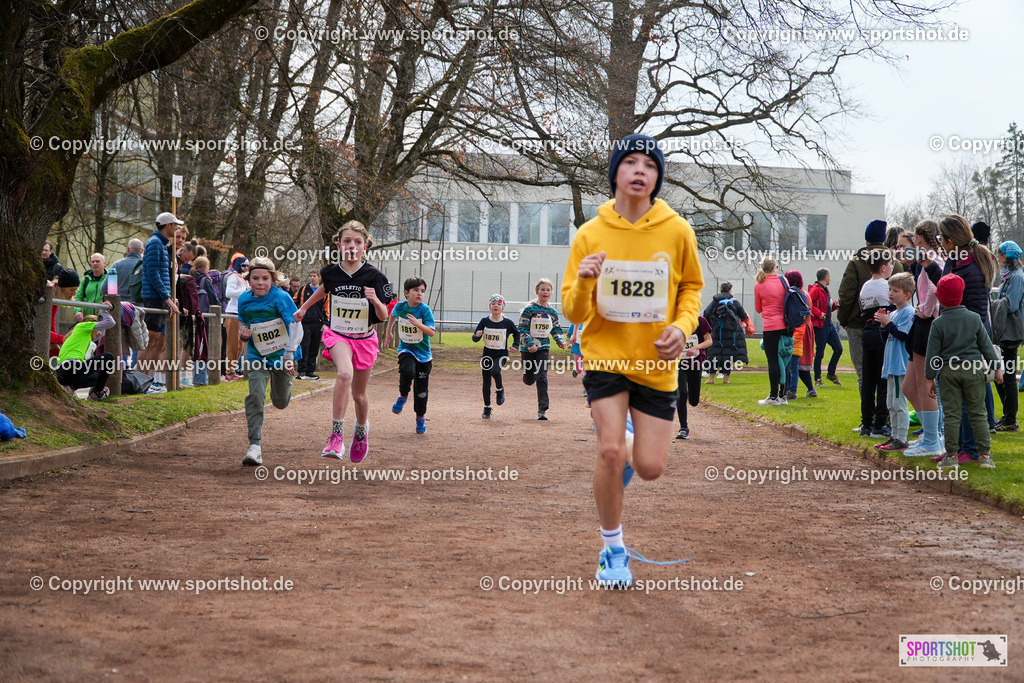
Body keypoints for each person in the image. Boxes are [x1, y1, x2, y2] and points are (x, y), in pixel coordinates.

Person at [562, 133, 703, 588]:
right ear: (616, 173)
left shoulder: (678, 230)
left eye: (650, 165)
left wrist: (681, 329)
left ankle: (626, 434)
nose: (641, 170)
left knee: (649, 467)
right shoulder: (590, 234)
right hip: (605, 358)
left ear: (657, 178)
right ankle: (613, 550)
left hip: (656, 365)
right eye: (631, 162)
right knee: (607, 450)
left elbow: (691, 290)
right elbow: (573, 311)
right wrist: (584, 282)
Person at [294, 221, 393, 462]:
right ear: (339, 245)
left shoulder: (375, 276)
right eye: (347, 241)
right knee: (344, 375)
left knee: (359, 395)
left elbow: (383, 316)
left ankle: (360, 431)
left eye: (357, 242)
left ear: (365, 247)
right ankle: (336, 436)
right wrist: (304, 307)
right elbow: (325, 289)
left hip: (365, 338)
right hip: (338, 334)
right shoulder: (330, 271)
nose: (352, 246)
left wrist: (376, 301)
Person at [939, 214, 996, 463]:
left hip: (966, 344)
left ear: (951, 240)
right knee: (957, 403)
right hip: (955, 342)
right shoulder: (956, 262)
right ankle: (958, 448)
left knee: (968, 404)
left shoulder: (970, 270)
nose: (940, 243)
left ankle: (971, 450)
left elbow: (975, 313)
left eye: (942, 238)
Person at [235, 257, 302, 467]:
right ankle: (254, 446)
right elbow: (243, 324)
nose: (260, 282)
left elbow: (295, 327)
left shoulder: (281, 297)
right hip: (257, 355)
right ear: (249, 279)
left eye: (265, 278)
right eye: (255, 278)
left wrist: (289, 357)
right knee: (255, 394)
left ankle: (285, 385)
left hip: (282, 356)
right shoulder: (244, 299)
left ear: (273, 279)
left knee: (280, 402)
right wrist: (244, 336)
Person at [928, 274, 1000, 470]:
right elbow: (986, 347)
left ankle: (951, 457)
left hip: (949, 372)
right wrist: (997, 369)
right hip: (974, 370)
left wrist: (929, 379)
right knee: (978, 414)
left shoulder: (938, 323)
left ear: (940, 297)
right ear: (961, 295)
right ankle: (984, 455)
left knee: (951, 416)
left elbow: (932, 355)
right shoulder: (975, 318)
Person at [837, 219, 904, 391]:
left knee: (863, 374)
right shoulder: (895, 262)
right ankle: (885, 415)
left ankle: (868, 415)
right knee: (886, 373)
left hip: (858, 323)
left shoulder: (856, 261)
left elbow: (846, 294)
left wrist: (843, 319)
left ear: (867, 239)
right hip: (888, 323)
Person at [902, 221, 945, 457]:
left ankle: (932, 439)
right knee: (909, 387)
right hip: (921, 322)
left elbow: (933, 289)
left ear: (919, 237)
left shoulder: (932, 258)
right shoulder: (924, 258)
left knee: (924, 384)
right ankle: (932, 434)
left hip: (927, 323)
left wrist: (925, 310)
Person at [384, 277, 436, 434]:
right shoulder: (400, 307)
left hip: (424, 355)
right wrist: (388, 334)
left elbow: (432, 332)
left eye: (422, 291)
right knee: (407, 371)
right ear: (406, 293)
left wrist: (418, 324)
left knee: (421, 391)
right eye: (415, 290)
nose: (419, 294)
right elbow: (392, 316)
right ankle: (403, 395)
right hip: (406, 349)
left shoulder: (424, 310)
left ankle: (420, 418)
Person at [138, 212, 183, 393]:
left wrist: (170, 298)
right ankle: (141, 381)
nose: (177, 228)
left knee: (158, 341)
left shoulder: (162, 244)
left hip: (161, 297)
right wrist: (166, 297)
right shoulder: (155, 243)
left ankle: (150, 381)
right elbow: (152, 272)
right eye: (175, 225)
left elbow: (163, 274)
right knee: (150, 341)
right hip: (154, 297)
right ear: (167, 226)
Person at [873, 273, 916, 451]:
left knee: (899, 403)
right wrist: (884, 326)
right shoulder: (896, 312)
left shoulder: (908, 312)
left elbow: (904, 335)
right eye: (890, 289)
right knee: (890, 403)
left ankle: (902, 438)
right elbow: (889, 337)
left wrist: (888, 323)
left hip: (900, 365)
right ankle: (894, 436)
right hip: (890, 364)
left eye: (895, 290)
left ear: (907, 294)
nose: (891, 293)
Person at [518, 278, 567, 420]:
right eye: (543, 289)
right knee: (530, 379)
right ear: (537, 291)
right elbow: (521, 329)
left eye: (548, 290)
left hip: (543, 347)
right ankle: (527, 378)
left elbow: (556, 328)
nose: (545, 292)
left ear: (551, 293)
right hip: (528, 349)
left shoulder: (552, 312)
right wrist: (529, 343)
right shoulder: (529, 309)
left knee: (542, 375)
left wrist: (560, 340)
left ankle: (542, 409)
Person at [858, 250, 893, 438]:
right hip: (881, 332)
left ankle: (866, 424)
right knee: (883, 379)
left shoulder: (865, 287)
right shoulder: (886, 286)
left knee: (868, 380)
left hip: (867, 330)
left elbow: (863, 309)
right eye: (890, 265)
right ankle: (880, 423)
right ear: (883, 267)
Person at [993, 241, 1024, 431]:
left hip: (1011, 331)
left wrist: (992, 305)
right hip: (1006, 330)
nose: (998, 260)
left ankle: (1010, 419)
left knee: (1009, 376)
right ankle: (1007, 416)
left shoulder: (1016, 278)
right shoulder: (1010, 276)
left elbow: (1011, 304)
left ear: (1006, 257)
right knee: (1002, 373)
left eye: (999, 256)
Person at [472, 294, 519, 418]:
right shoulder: (484, 321)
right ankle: (487, 407)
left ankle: (499, 389)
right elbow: (475, 338)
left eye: (498, 304)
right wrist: (477, 335)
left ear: (502, 307)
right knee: (486, 382)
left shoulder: (507, 322)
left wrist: (515, 345)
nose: (496, 306)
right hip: (487, 355)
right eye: (493, 304)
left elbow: (516, 333)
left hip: (501, 354)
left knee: (495, 371)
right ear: (490, 306)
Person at [55, 310, 116, 401]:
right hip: (70, 368)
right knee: (108, 357)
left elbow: (102, 333)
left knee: (97, 379)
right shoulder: (82, 326)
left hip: (63, 373)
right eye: (98, 329)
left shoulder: (82, 335)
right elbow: (111, 323)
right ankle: (97, 393)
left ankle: (70, 387)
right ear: (90, 325)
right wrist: (102, 311)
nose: (99, 333)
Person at [754, 257, 787, 405]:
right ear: (775, 268)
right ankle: (783, 395)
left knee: (773, 360)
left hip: (770, 326)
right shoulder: (783, 281)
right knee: (785, 359)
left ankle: (773, 396)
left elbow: (758, 308)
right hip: (785, 325)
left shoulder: (759, 285)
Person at [703, 282, 750, 385]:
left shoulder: (715, 301)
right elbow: (743, 315)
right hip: (731, 332)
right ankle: (726, 378)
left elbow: (706, 313)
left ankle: (711, 378)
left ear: (721, 290)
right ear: (730, 290)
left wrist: (712, 322)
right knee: (728, 354)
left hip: (717, 331)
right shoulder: (734, 302)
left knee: (714, 353)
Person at [676, 314, 712, 439]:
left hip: (695, 363)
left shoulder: (699, 320)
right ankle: (683, 428)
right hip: (678, 363)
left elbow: (709, 341)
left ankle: (693, 399)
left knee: (694, 401)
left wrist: (696, 347)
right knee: (681, 393)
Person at [784, 270, 814, 399]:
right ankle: (810, 389)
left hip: (799, 330)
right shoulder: (805, 294)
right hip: (805, 329)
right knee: (799, 363)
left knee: (797, 363)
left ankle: (799, 389)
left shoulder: (796, 294)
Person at [809, 268, 842, 386]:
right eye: (830, 276)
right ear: (826, 277)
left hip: (828, 325)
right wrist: (819, 314)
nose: (830, 278)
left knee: (839, 349)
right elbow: (808, 304)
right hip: (820, 326)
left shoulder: (825, 289)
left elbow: (827, 307)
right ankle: (818, 379)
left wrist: (835, 305)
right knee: (820, 353)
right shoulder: (815, 289)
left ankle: (830, 373)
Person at [190, 256, 220, 386]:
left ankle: (197, 377)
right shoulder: (205, 280)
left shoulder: (191, 279)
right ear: (206, 267)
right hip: (204, 317)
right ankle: (201, 379)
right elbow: (213, 299)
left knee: (196, 347)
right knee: (203, 348)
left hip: (192, 316)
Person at [294, 269, 327, 380]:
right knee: (304, 345)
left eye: (314, 276)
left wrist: (326, 323)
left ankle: (310, 371)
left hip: (318, 323)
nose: (312, 278)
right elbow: (294, 301)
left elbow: (327, 308)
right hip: (305, 322)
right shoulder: (304, 289)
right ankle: (302, 370)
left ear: (319, 277)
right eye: (311, 275)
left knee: (314, 347)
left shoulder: (325, 291)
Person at [224, 254, 250, 380]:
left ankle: (233, 370)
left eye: (248, 266)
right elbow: (228, 293)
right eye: (244, 265)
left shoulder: (245, 278)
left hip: (242, 314)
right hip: (233, 313)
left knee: (240, 345)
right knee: (232, 344)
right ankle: (229, 372)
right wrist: (245, 291)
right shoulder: (233, 277)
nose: (246, 268)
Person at [73, 253, 108, 322]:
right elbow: (78, 297)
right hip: (88, 320)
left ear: (104, 263)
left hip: (104, 320)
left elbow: (115, 298)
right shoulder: (86, 279)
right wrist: (78, 311)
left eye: (98, 261)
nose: (95, 263)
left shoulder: (109, 279)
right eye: (93, 262)